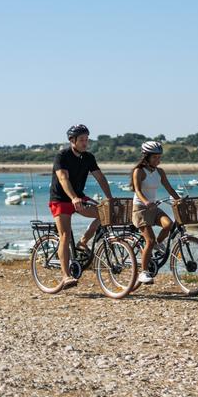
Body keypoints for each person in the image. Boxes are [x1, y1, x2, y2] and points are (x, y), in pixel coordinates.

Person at [48, 124, 114, 289]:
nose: (85, 143)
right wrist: (73, 198)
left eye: (87, 139)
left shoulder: (88, 157)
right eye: (82, 140)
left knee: (103, 213)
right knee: (65, 235)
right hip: (61, 199)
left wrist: (110, 198)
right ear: (72, 140)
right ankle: (66, 276)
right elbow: (63, 179)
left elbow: (100, 177)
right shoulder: (62, 156)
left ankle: (83, 242)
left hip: (78, 197)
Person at [131, 140, 182, 285]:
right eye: (154, 157)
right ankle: (143, 272)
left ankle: (157, 245)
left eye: (159, 157)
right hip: (140, 208)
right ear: (146, 157)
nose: (158, 160)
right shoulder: (139, 171)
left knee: (168, 225)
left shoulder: (160, 172)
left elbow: (169, 188)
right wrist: (146, 202)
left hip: (153, 208)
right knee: (150, 240)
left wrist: (179, 200)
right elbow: (137, 190)